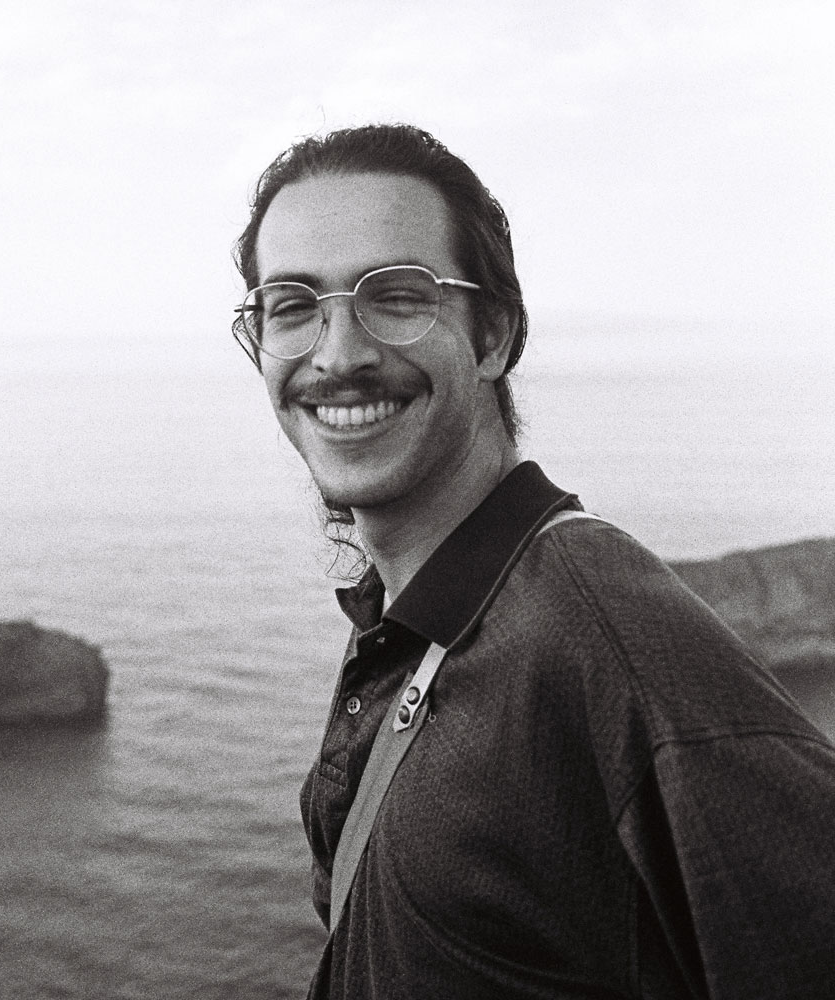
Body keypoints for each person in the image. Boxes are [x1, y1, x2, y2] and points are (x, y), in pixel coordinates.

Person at [231, 124, 835, 999]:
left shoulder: (601, 633)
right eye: (293, 305)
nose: (339, 353)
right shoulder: (418, 622)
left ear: (494, 338)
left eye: (397, 295)